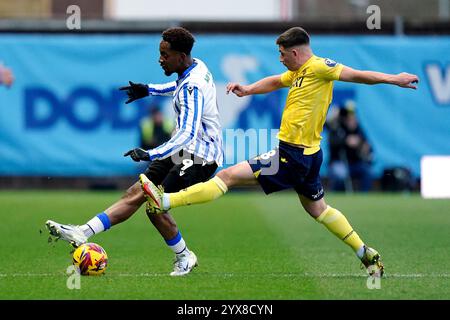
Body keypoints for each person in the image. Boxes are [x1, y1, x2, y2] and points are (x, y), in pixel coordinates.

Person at [141, 27, 419, 277]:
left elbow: (359, 75)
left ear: (296, 53)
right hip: (309, 156)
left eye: (283, 53)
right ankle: (365, 253)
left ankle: (166, 202)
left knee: (227, 177)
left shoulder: (321, 67)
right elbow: (275, 81)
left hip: (292, 156)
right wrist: (248, 89)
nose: (280, 58)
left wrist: (395, 79)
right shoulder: (298, 72)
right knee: (319, 209)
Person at [46, 27, 223, 276]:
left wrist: (150, 153)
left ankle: (185, 257)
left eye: (165, 54)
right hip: (182, 150)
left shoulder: (192, 87)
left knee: (155, 206)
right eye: (160, 53)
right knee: (137, 191)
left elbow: (187, 133)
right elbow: (178, 86)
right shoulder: (196, 67)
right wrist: (148, 89)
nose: (160, 59)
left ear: (181, 56)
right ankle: (82, 232)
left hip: (200, 156)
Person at [327, 103, 373, 192]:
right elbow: (332, 140)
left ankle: (363, 197)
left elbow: (367, 144)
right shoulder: (337, 127)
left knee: (367, 171)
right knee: (340, 175)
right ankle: (338, 195)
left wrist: (361, 144)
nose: (351, 119)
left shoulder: (358, 129)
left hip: (354, 163)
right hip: (339, 162)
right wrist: (346, 141)